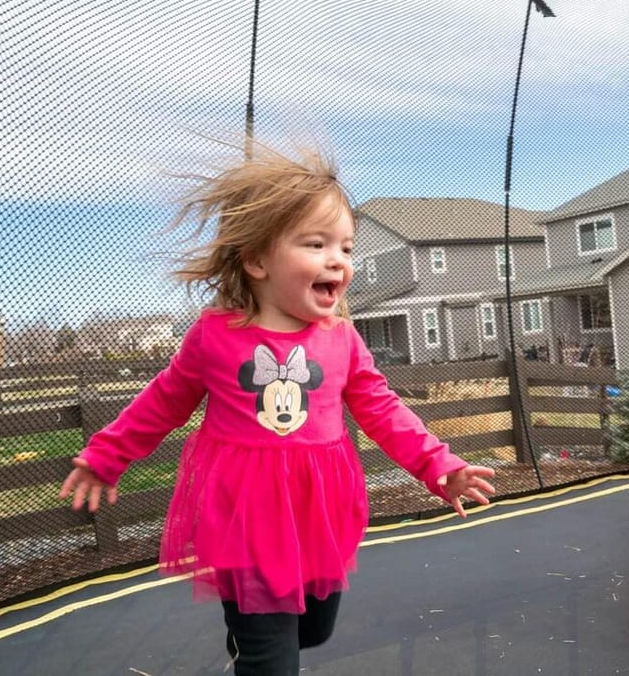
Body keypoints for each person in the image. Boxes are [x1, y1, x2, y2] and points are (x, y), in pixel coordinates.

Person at [59, 141, 496, 675]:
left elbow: (384, 410)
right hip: (245, 513)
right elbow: (164, 401)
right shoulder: (215, 337)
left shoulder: (342, 340)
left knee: (314, 628)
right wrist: (107, 455)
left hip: (319, 513)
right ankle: (253, 642)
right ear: (258, 259)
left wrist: (438, 465)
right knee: (271, 655)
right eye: (316, 244)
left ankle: (253, 638)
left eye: (347, 248)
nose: (337, 259)